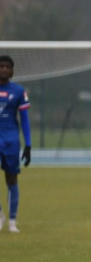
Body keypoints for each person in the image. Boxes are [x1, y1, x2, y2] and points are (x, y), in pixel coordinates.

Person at [0, 54, 31, 234]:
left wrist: (28, 145)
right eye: (1, 66)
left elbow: (25, 120)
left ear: (12, 71)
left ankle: (12, 220)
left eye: (7, 67)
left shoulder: (19, 91)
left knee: (11, 179)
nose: (4, 69)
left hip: (11, 140)